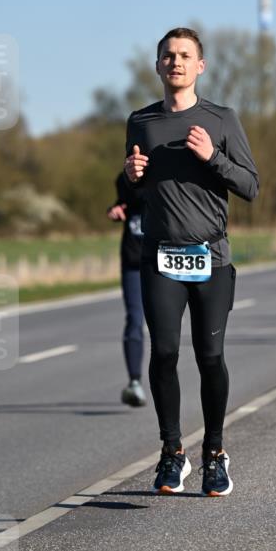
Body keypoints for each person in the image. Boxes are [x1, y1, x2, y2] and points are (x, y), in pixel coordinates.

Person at [124, 27, 259, 496]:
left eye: (185, 56)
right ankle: (171, 453)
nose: (175, 62)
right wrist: (130, 176)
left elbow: (250, 186)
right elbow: (136, 187)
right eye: (168, 55)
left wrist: (213, 157)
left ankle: (215, 455)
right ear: (157, 65)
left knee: (209, 357)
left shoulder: (221, 119)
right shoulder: (140, 122)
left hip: (211, 259)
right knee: (163, 353)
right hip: (160, 257)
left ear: (200, 66)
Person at [107, 172, 147, 406]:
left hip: (163, 260)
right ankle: (134, 382)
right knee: (134, 319)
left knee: (165, 326)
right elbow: (123, 203)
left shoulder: (166, 171)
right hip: (133, 261)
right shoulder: (123, 178)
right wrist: (115, 211)